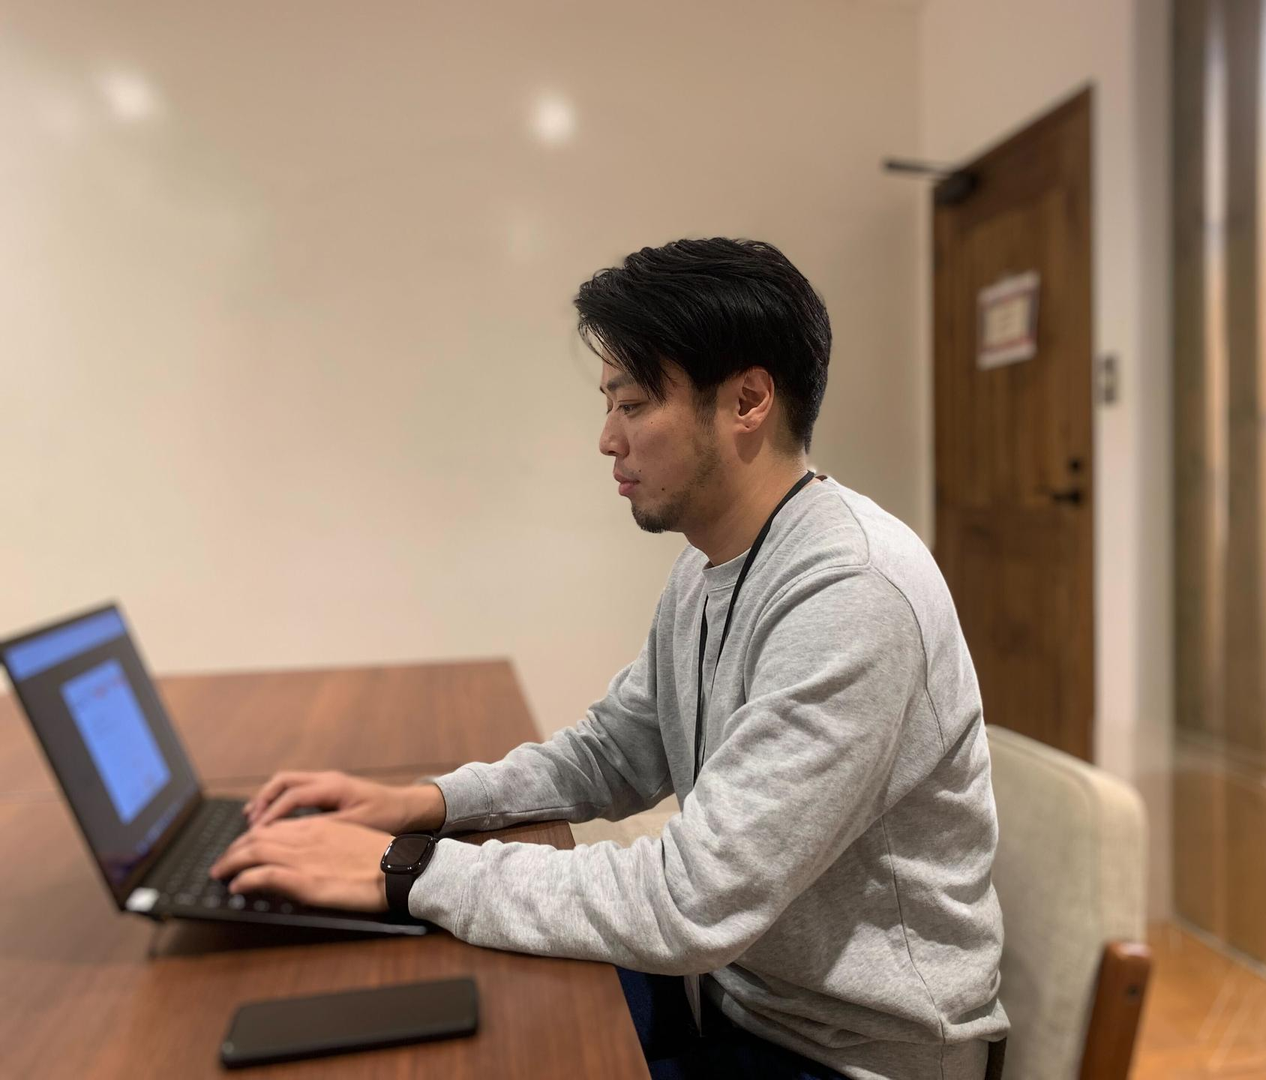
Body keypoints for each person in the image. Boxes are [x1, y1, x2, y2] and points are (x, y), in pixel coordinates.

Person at [210, 238, 1008, 1079]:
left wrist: (406, 870)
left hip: (850, 1055)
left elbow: (691, 899)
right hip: (736, 1000)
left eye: (630, 404)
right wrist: (425, 805)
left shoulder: (851, 592)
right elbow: (614, 751)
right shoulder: (708, 567)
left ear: (747, 401)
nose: (606, 439)